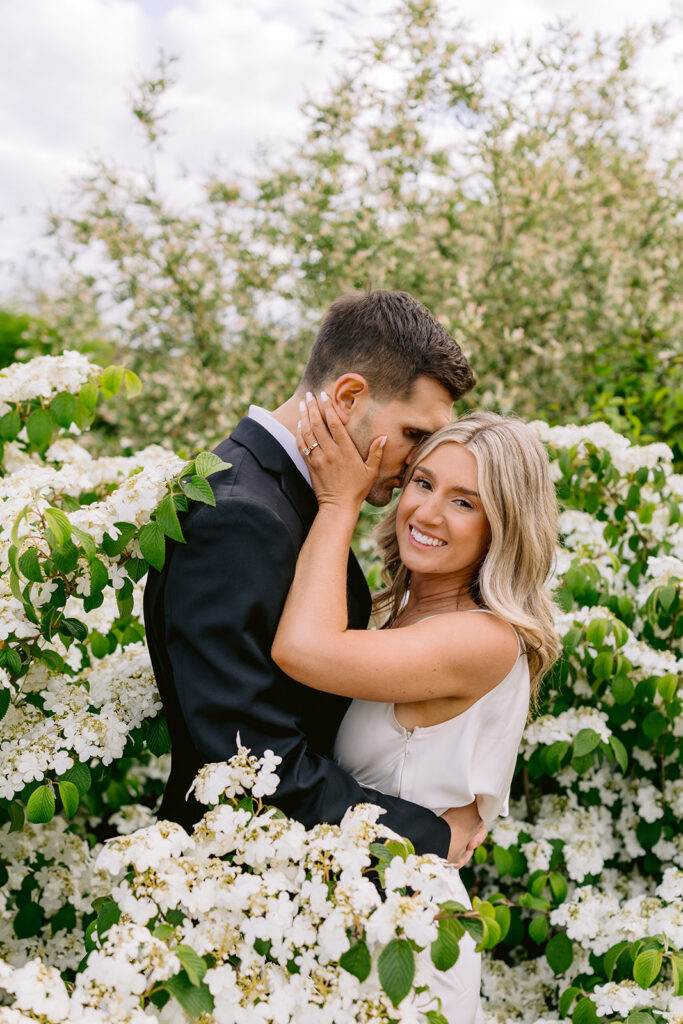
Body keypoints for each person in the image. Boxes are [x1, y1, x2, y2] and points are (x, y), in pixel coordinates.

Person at [143, 289, 484, 862]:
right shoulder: (242, 516)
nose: (417, 464)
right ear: (349, 397)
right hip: (242, 877)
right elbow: (247, 761)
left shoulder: (286, 496)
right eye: (414, 435)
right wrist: (426, 838)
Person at [272, 400, 560, 1023]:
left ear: (503, 526)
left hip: (405, 932)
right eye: (423, 483)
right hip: (356, 909)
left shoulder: (481, 638)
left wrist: (338, 502)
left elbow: (301, 650)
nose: (427, 512)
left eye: (464, 502)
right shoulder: (405, 615)